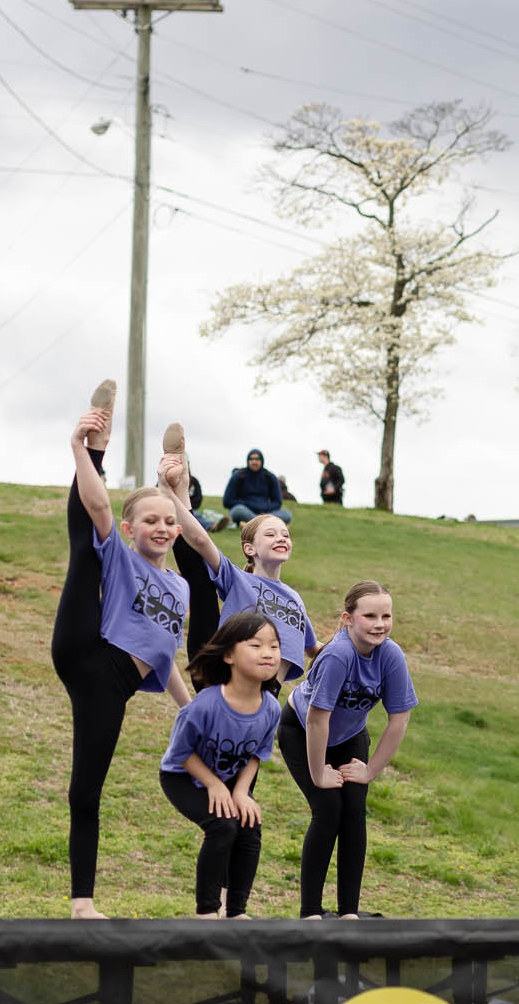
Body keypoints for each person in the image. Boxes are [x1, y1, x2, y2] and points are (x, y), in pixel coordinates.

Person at [53, 381, 192, 920]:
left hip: (115, 687)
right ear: (132, 529)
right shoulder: (121, 553)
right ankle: (95, 443)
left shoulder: (178, 588)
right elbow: (95, 504)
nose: (160, 528)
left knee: (88, 789)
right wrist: (80, 451)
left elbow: (163, 654)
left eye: (168, 520)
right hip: (86, 650)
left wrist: (192, 708)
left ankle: (82, 904)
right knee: (84, 552)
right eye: (149, 521)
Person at [279, 580, 416, 918]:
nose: (379, 624)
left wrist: (370, 772)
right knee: (327, 810)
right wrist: (317, 773)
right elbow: (315, 721)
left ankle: (348, 914)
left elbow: (399, 719)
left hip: (350, 734)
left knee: (354, 810)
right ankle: (310, 912)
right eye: (369, 615)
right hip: (303, 731)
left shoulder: (390, 655)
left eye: (386, 615)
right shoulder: (338, 655)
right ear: (347, 619)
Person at [160, 446, 320, 683]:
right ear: (249, 548)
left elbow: (314, 647)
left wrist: (360, 648)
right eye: (271, 535)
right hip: (223, 678)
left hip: (265, 698)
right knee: (201, 582)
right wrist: (166, 492)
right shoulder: (239, 579)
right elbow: (200, 540)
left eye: (285, 535)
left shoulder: (294, 599)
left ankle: (181, 489)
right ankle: (181, 489)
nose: (281, 539)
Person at [159, 611, 280, 920]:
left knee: (249, 825)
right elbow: (181, 753)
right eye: (255, 645)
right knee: (223, 826)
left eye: (274, 646)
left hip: (227, 780)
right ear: (228, 655)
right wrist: (213, 784)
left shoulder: (271, 709)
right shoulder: (205, 706)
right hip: (183, 776)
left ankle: (236, 912)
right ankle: (207, 912)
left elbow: (257, 754)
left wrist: (241, 792)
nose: (267, 653)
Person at [223, 448, 292, 525]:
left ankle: (252, 524)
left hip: (264, 512)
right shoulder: (239, 475)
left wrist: (265, 509)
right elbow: (227, 501)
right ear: (248, 460)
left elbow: (277, 502)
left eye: (257, 459)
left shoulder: (269, 477)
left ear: (262, 461)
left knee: (287, 515)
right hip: (246, 510)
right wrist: (247, 504)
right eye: (251, 459)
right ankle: (265, 523)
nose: (254, 461)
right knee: (238, 510)